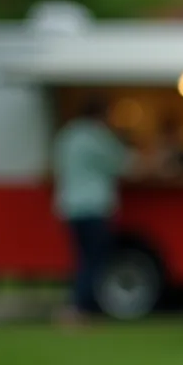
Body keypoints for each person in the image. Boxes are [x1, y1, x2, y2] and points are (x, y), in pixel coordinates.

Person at [51, 96, 135, 327]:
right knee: (94, 260)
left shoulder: (68, 135)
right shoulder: (98, 137)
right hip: (94, 206)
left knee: (81, 259)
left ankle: (79, 306)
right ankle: (79, 309)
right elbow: (122, 163)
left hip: (69, 206)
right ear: (101, 114)